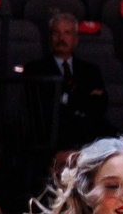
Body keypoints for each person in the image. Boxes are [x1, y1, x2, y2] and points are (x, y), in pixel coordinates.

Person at [26, 12, 109, 151]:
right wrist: (85, 99)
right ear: (49, 38)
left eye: (67, 33)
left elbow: (100, 105)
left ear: (75, 39)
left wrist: (64, 99)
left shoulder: (91, 70)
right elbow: (44, 105)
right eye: (56, 33)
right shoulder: (35, 69)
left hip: (86, 132)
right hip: (51, 133)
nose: (61, 38)